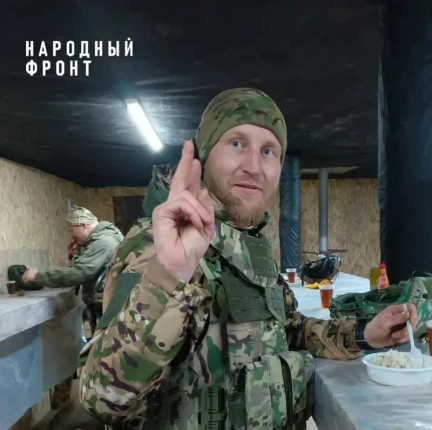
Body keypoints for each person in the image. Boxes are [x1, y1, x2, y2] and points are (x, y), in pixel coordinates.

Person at [78, 88, 417, 430]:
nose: (253, 167)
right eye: (237, 144)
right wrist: (169, 275)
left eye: (268, 151)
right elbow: (102, 399)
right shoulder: (155, 244)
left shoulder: (247, 244)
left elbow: (288, 330)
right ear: (204, 157)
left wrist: (363, 333)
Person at [22, 205, 124, 305]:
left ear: (84, 225)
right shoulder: (109, 235)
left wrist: (37, 276)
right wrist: (77, 254)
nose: (71, 236)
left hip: (110, 304)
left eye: (71, 230)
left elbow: (79, 273)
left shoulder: (103, 242)